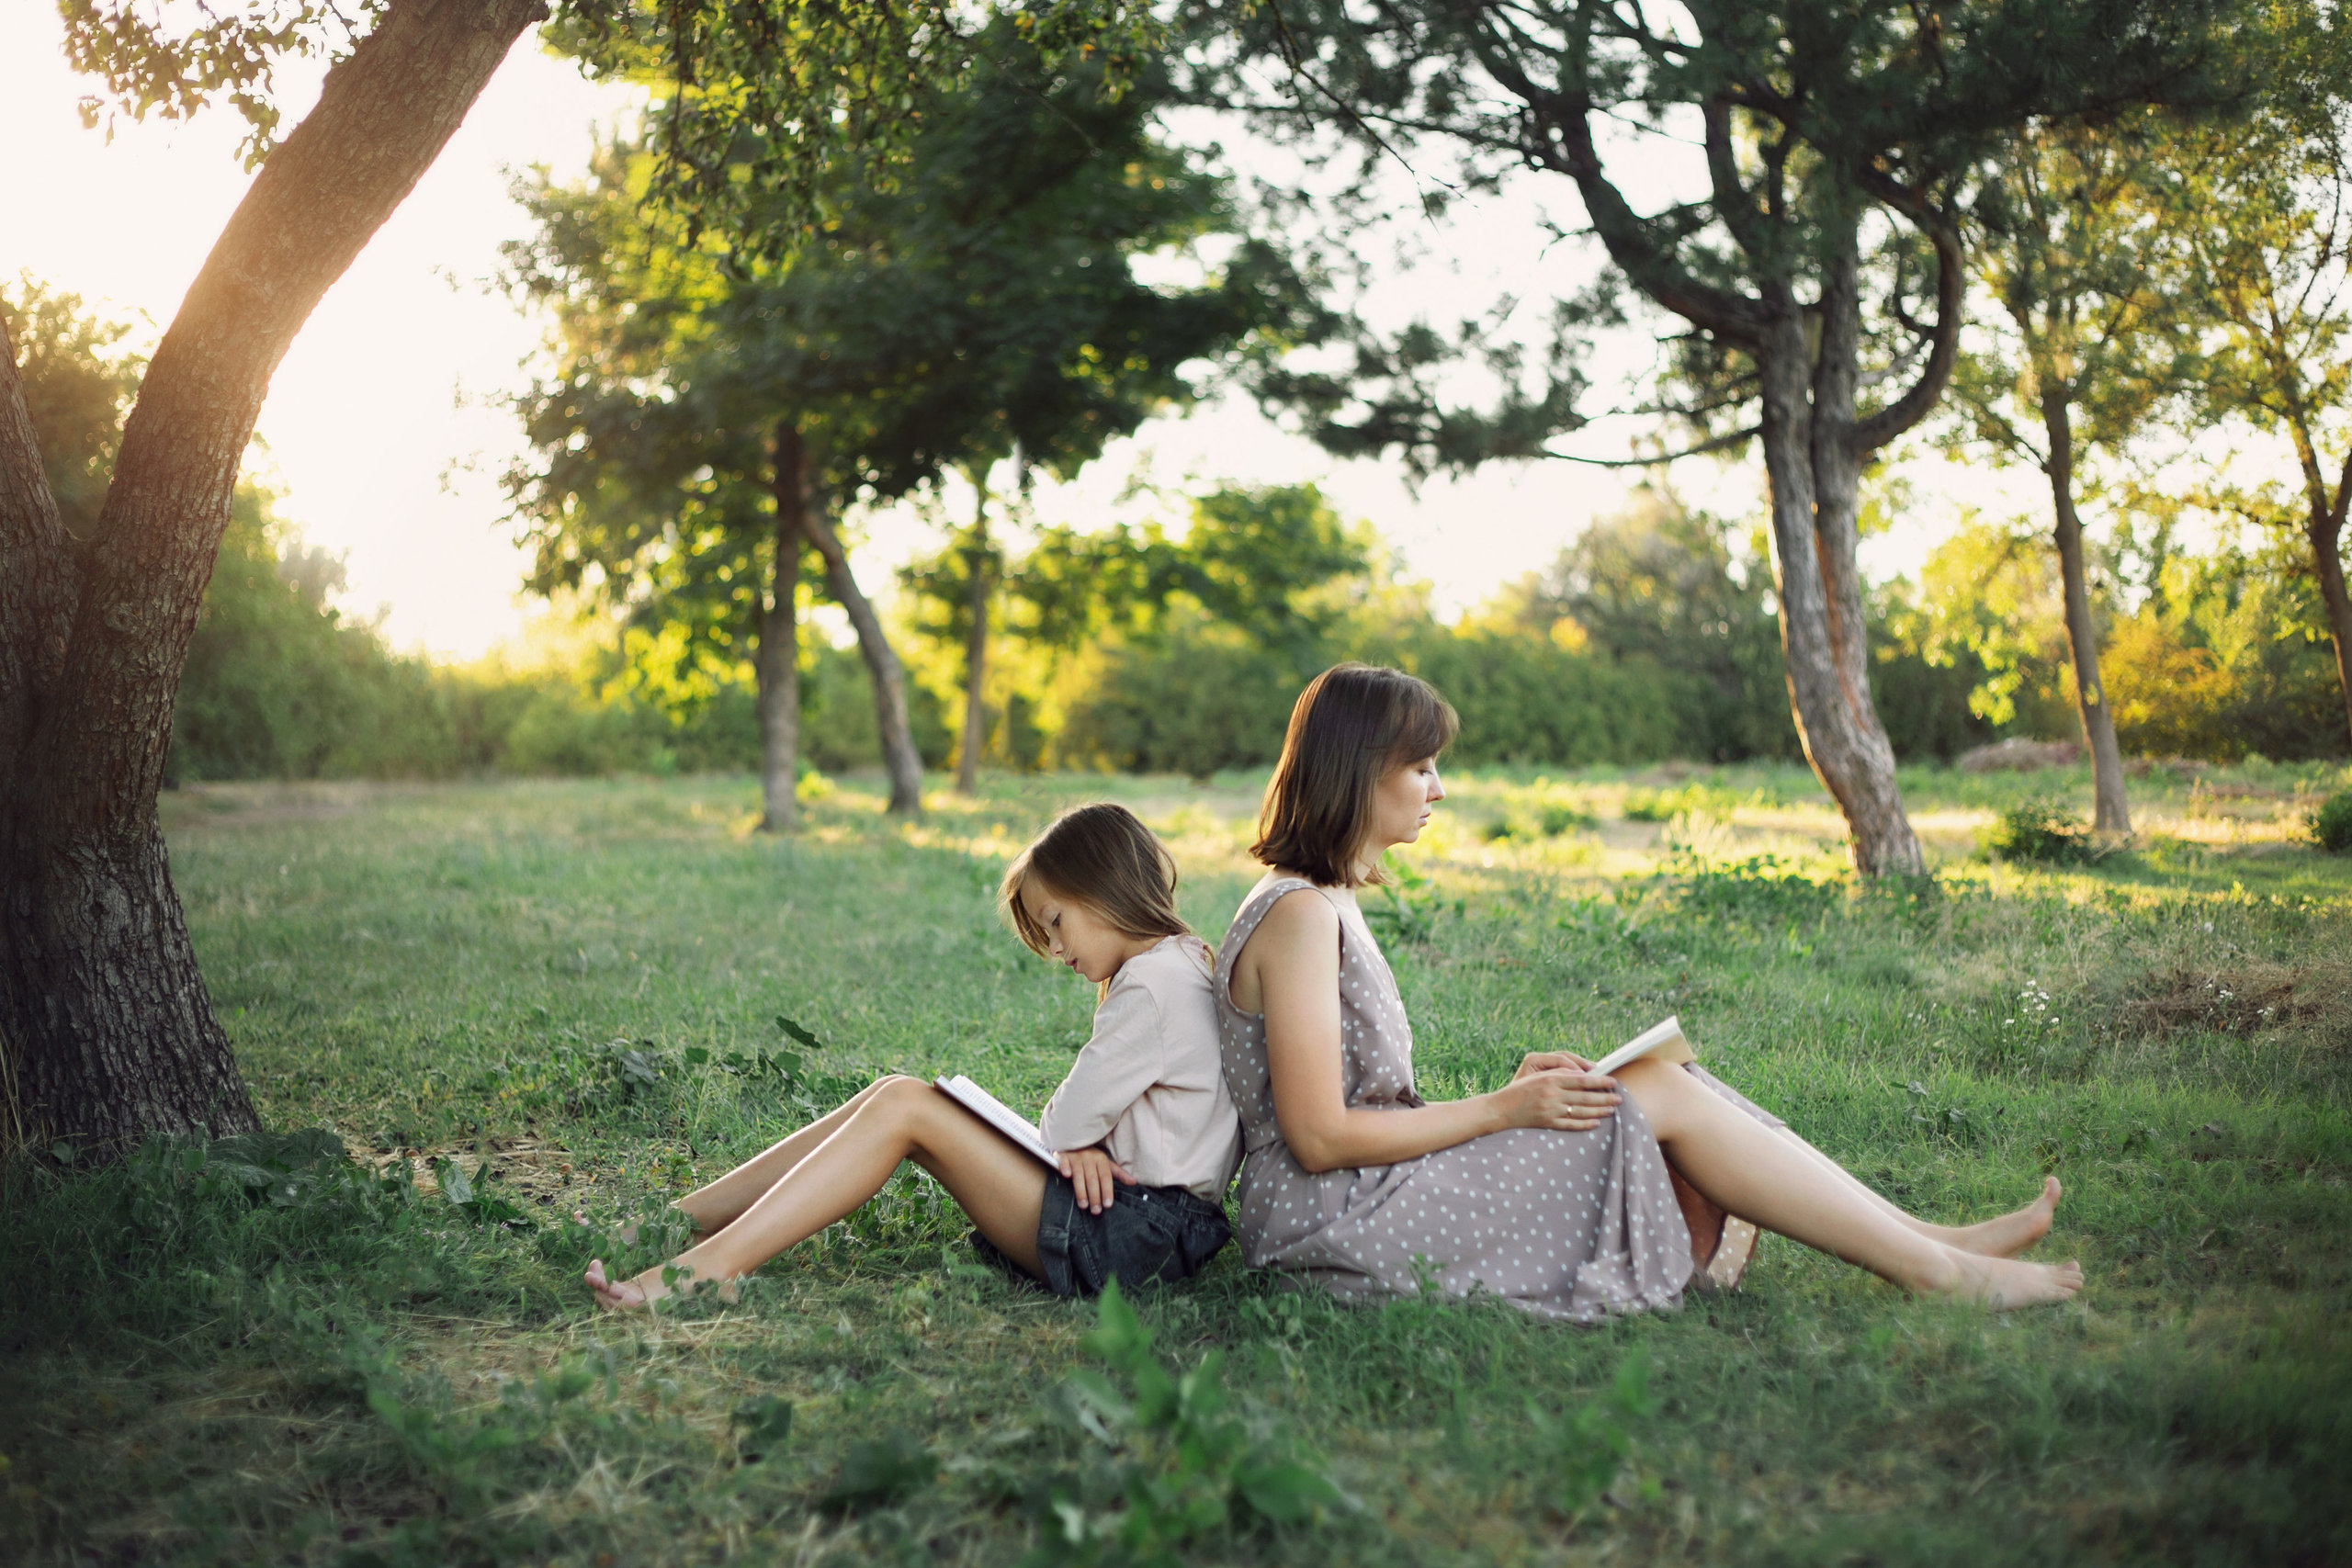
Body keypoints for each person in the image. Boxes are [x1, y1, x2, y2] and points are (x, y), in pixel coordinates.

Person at [1214, 662, 2082, 1320]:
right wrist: (1506, 1110)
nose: (1440, 788)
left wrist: (1516, 1090)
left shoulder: (1321, 899)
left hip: (1369, 1185)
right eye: (1423, 768)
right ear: (1362, 770)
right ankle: (1935, 1270)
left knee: (1667, 1077)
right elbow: (1321, 1136)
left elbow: (1354, 1103)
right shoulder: (1296, 914)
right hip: (1331, 1216)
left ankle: (1928, 1239)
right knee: (1654, 1088)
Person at [586, 802, 1240, 1309]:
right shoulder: (1175, 966)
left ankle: (709, 1266)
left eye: (1056, 921)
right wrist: (1086, 1146)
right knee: (894, 1091)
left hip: (1136, 1236)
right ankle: (671, 1226)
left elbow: (1063, 1126)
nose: (1058, 950)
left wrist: (1083, 1141)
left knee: (904, 1105)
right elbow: (1083, 1131)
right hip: (1143, 1223)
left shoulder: (1153, 985)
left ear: (1104, 888)